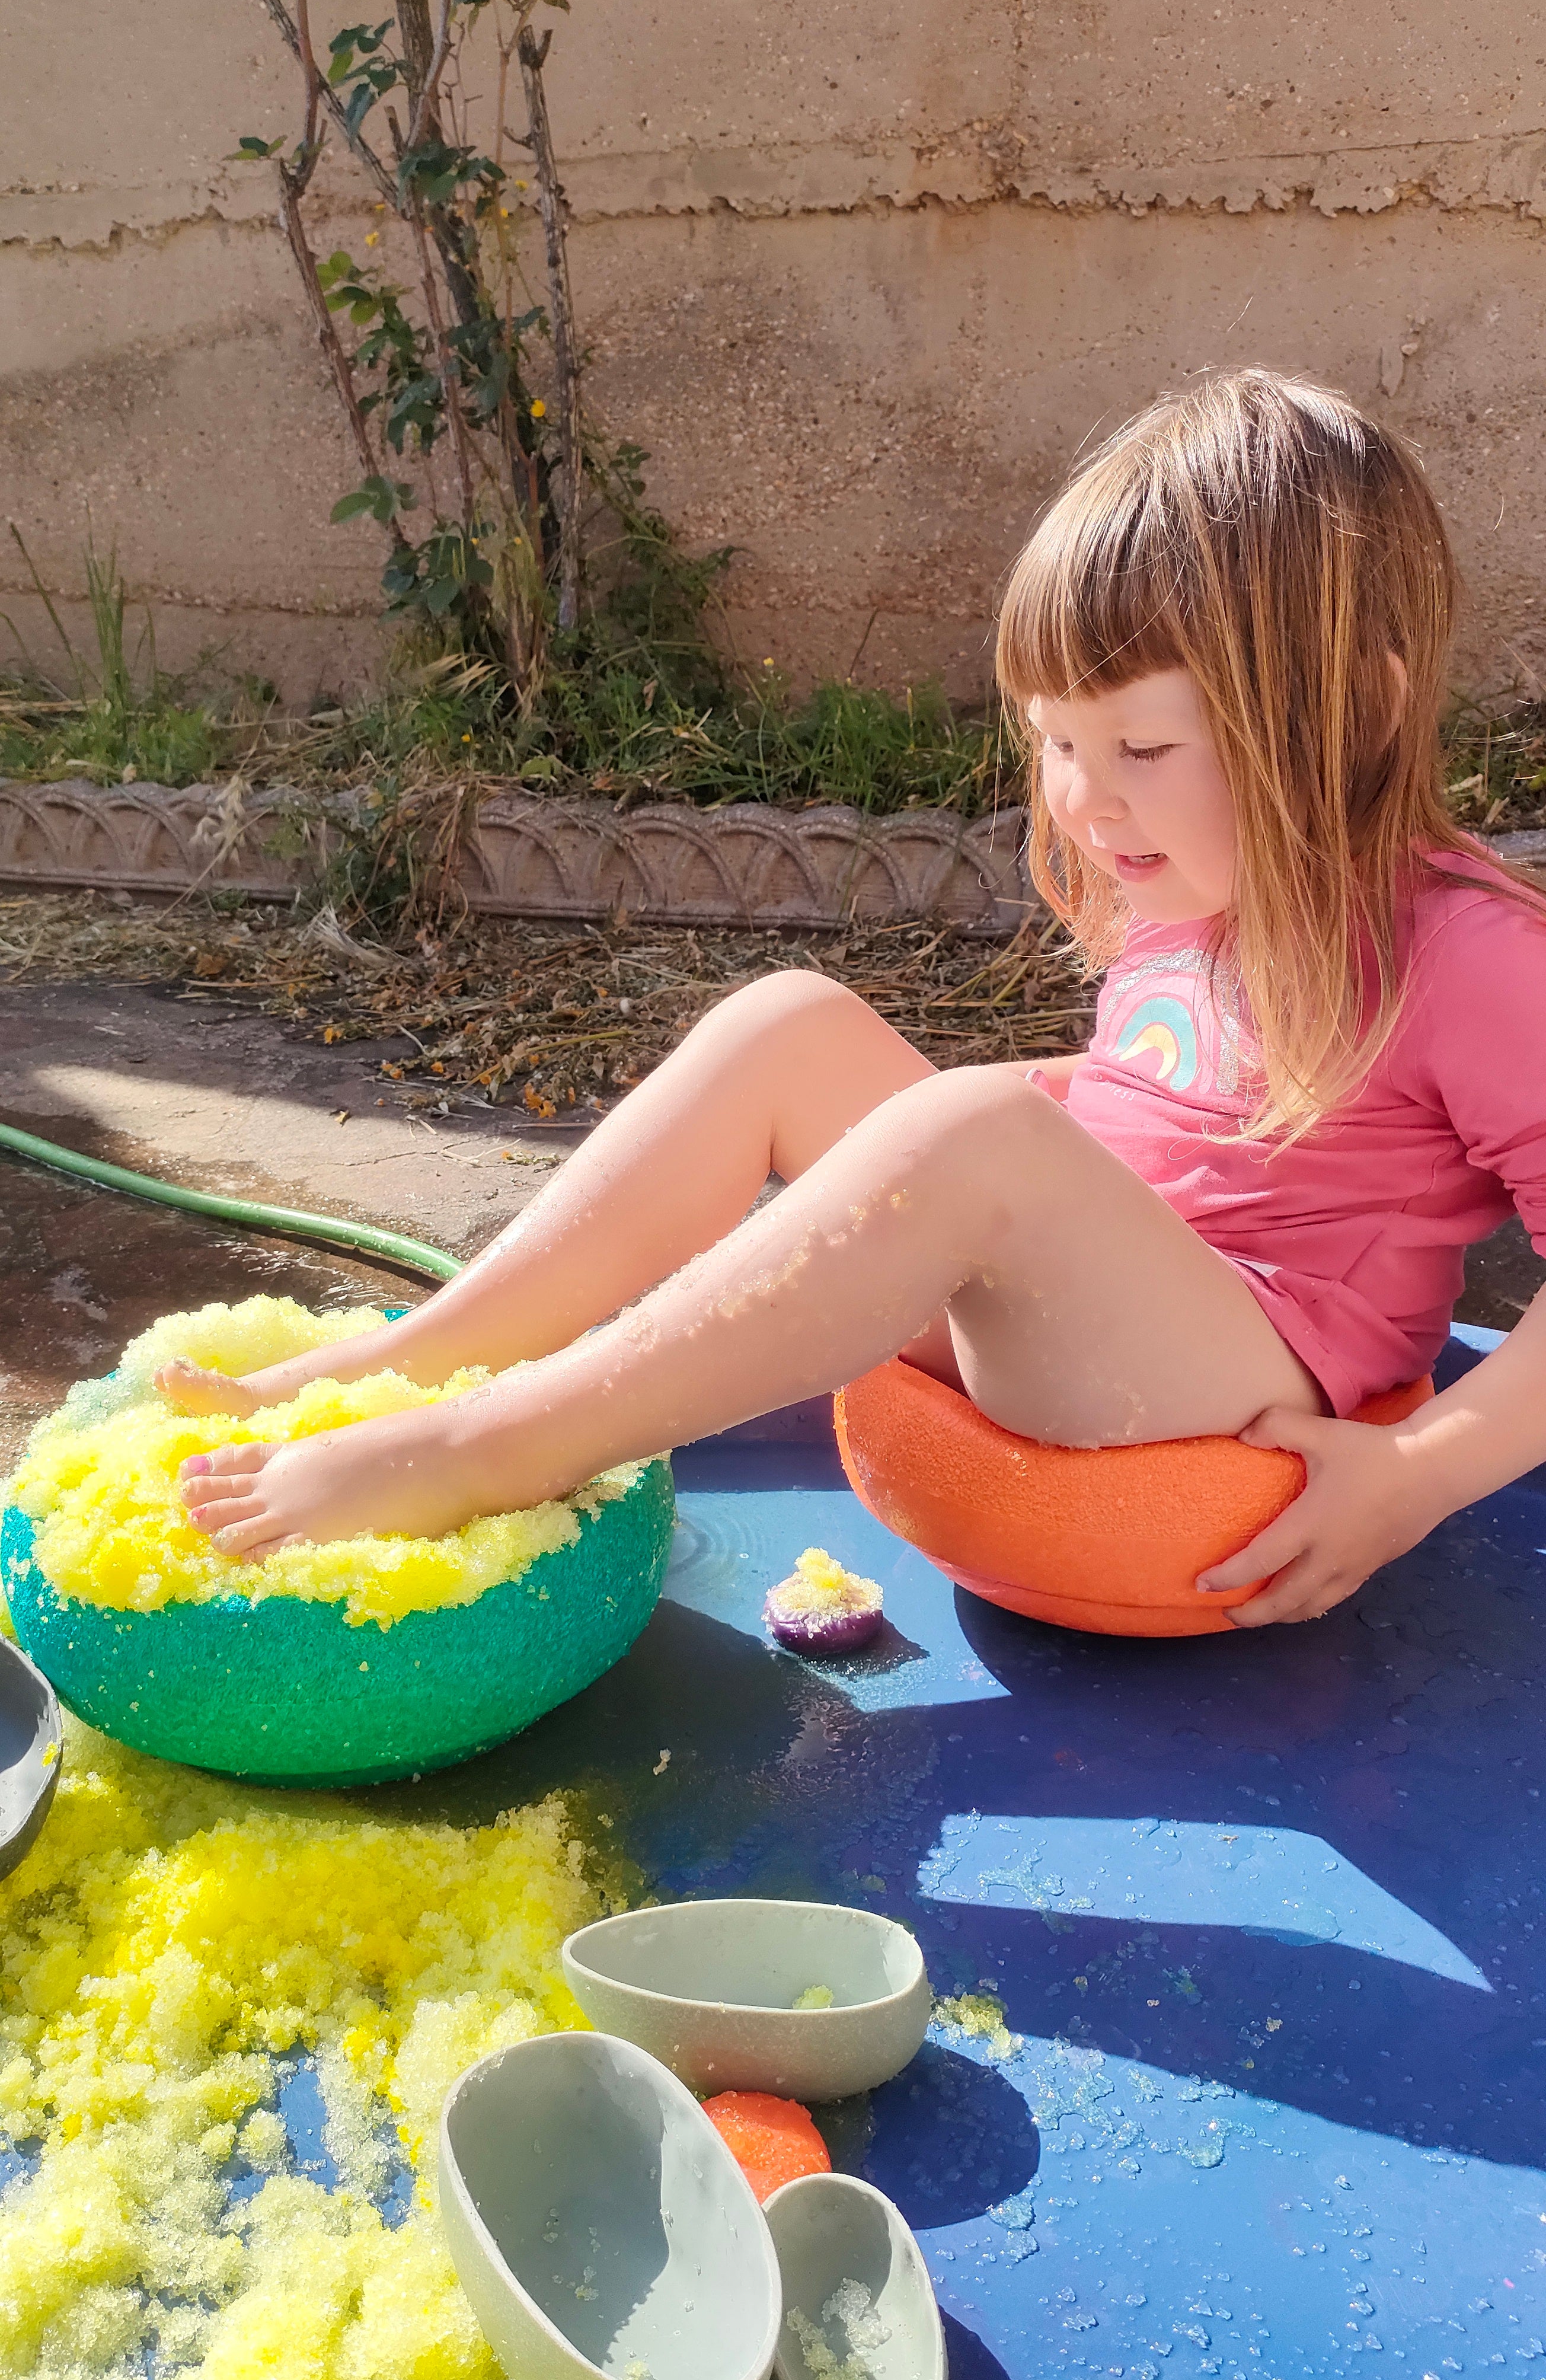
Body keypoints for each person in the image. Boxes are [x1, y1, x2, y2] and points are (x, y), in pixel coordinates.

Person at [161, 370, 1546, 1626]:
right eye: (1054, 738)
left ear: (1354, 714)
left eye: (1138, 742)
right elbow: (1183, 1118)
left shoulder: (1466, 950)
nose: (1081, 793)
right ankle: (427, 1357)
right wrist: (1042, 1113)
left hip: (1233, 1419)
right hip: (1105, 1333)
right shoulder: (1196, 885)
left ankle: (484, 1448)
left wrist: (1417, 1473)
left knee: (975, 1131)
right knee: (792, 1022)